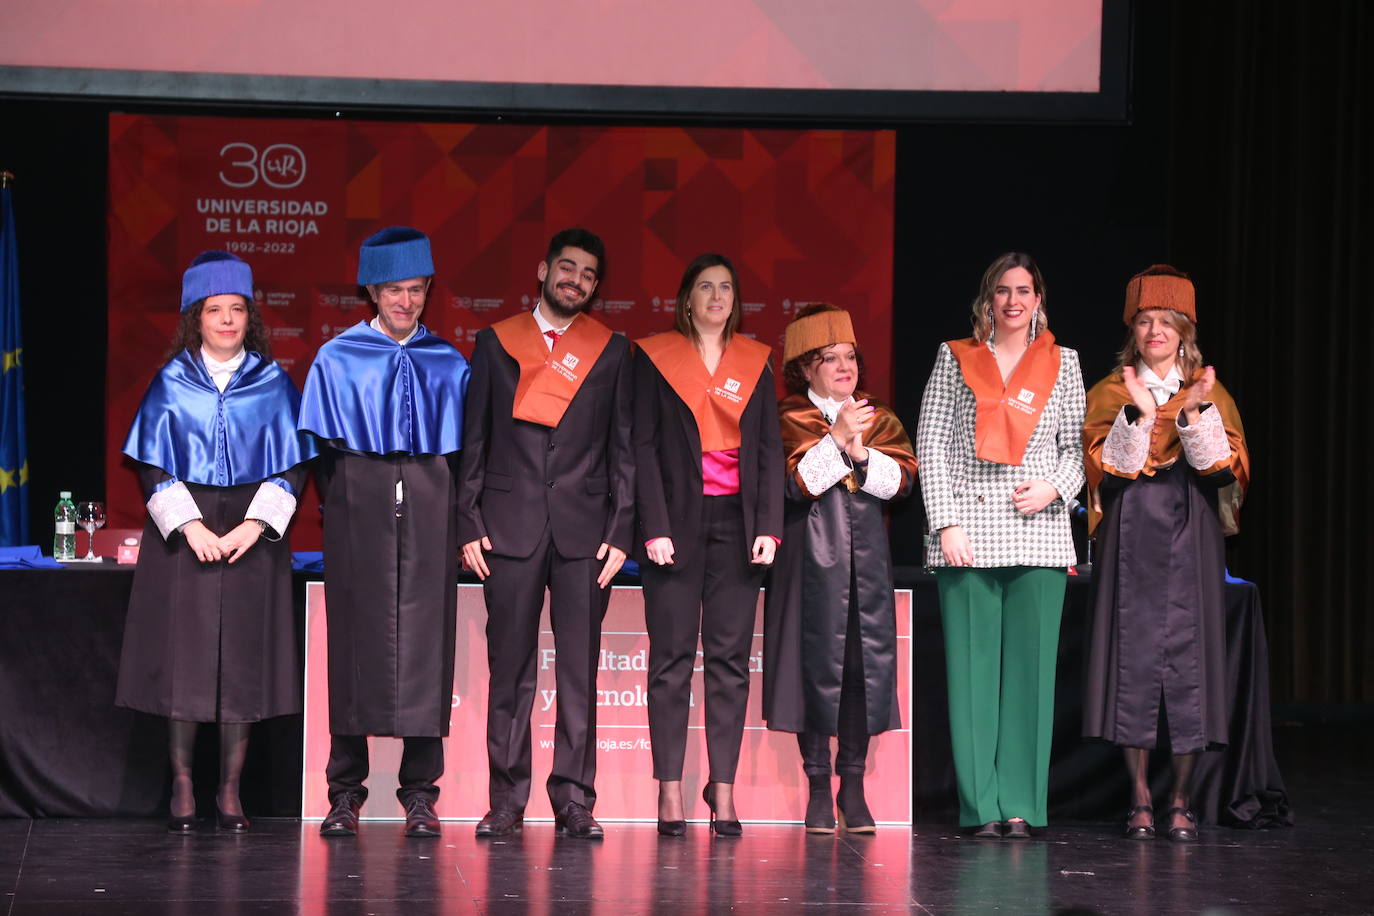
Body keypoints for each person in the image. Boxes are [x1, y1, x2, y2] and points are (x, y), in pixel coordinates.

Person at [117, 250, 316, 833]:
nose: (226, 320)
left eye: (236, 310)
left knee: (243, 664)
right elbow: (152, 466)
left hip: (253, 535)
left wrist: (255, 525)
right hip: (186, 536)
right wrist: (189, 525)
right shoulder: (171, 382)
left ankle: (229, 791)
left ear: (249, 317)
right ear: (195, 319)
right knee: (185, 661)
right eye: (214, 310)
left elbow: (293, 467)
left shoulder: (274, 381)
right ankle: (182, 785)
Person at [458, 228, 634, 840]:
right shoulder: (494, 343)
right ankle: (505, 799)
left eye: (588, 274)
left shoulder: (610, 351)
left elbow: (624, 449)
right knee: (510, 669)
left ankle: (574, 799)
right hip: (508, 528)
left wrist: (621, 529)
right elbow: (473, 441)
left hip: (585, 533)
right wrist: (468, 521)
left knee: (579, 671)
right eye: (567, 267)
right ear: (543, 269)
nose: (576, 280)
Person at [298, 227, 471, 839]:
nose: (406, 301)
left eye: (417, 290)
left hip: (430, 507)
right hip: (358, 507)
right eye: (394, 290)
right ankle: (345, 792)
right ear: (372, 291)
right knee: (354, 642)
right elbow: (318, 452)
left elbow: (466, 456)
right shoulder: (337, 358)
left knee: (428, 646)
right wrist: (351, 499)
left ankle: (420, 793)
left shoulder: (448, 362)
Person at [915, 252, 1085, 839]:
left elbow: (1075, 450)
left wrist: (1055, 487)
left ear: (1039, 299)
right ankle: (980, 807)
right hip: (969, 531)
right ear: (987, 300)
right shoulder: (955, 357)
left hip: (1037, 529)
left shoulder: (1064, 363)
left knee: (1031, 680)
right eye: (1003, 291)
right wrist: (946, 523)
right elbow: (931, 444)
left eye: (1024, 290)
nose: (1014, 301)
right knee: (972, 676)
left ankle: (1021, 806)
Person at [1081, 266, 1249, 843]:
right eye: (1146, 321)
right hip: (1131, 532)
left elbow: (1222, 468)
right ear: (1134, 330)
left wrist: (1195, 411)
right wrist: (1138, 410)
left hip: (1190, 529)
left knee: (1190, 665)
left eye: (1166, 322)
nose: (1156, 331)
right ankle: (1140, 796)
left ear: (1183, 331)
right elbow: (1110, 470)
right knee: (1132, 661)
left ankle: (1180, 798)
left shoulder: (1208, 388)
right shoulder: (1109, 390)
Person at [633, 253, 783, 837]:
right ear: (687, 300)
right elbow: (640, 447)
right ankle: (669, 789)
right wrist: (654, 525)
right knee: (670, 661)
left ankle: (722, 789)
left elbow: (768, 451)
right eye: (705, 287)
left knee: (728, 663)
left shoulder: (756, 363)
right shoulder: (655, 359)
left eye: (725, 287)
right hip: (676, 523)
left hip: (738, 527)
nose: (716, 296)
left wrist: (768, 527)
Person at [762, 304, 917, 834]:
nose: (844, 366)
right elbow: (794, 484)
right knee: (813, 671)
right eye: (829, 358)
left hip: (866, 562)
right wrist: (836, 440)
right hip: (808, 560)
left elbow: (901, 485)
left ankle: (852, 785)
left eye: (849, 356)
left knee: (859, 672)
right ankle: (817, 788)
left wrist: (861, 450)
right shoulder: (785, 417)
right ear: (806, 368)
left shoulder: (881, 418)